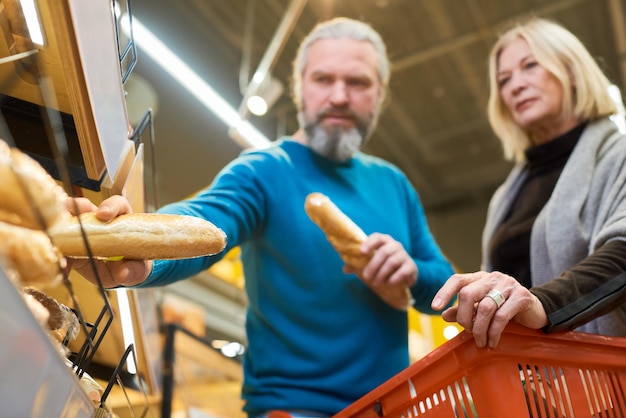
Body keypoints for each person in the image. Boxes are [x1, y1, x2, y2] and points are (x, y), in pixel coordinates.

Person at [72, 17, 455, 417]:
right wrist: (136, 246)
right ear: (300, 88)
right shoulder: (265, 170)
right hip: (293, 409)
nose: (339, 96)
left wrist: (411, 271)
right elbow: (201, 221)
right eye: (323, 79)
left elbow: (448, 289)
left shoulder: (394, 184)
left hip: (395, 409)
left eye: (358, 82)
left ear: (380, 94)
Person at [431, 17, 626, 349]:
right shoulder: (504, 197)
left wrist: (542, 303)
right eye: (504, 80)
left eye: (530, 66)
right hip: (530, 385)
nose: (515, 86)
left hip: (604, 378)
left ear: (573, 73)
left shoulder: (618, 154)